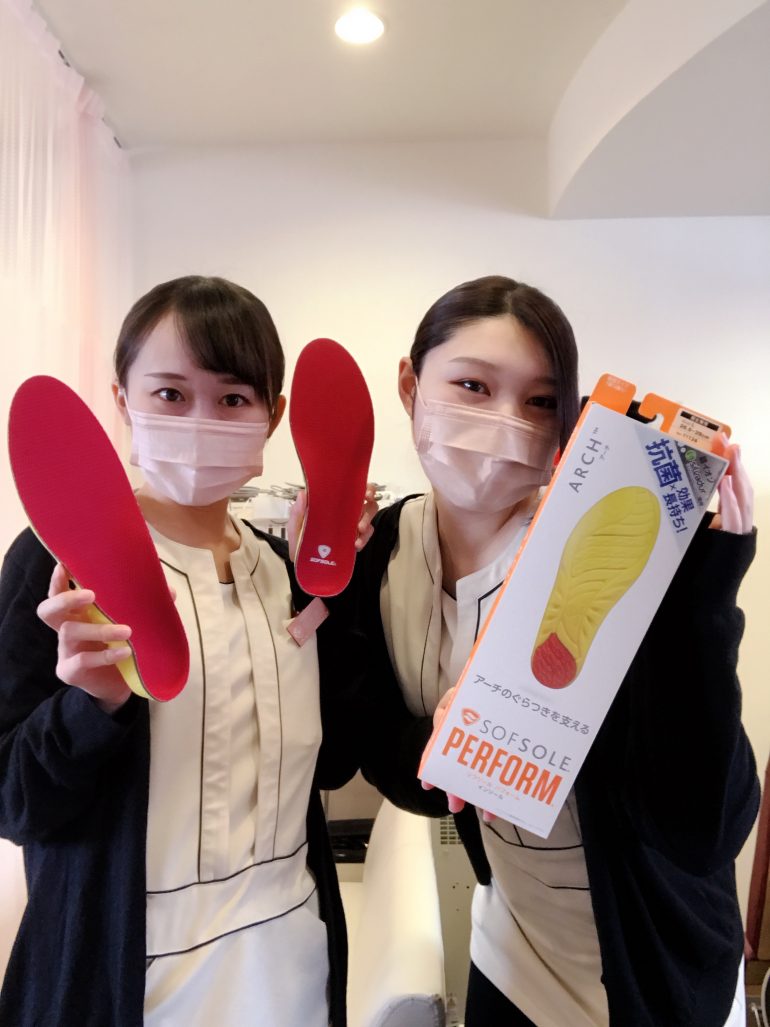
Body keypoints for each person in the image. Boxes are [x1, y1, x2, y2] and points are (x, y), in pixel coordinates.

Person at [347, 275, 759, 1027]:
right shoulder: (382, 556)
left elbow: (705, 831)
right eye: (472, 385)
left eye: (540, 402)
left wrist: (704, 604)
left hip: (653, 965)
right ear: (410, 386)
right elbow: (377, 749)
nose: (506, 421)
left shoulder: (620, 555)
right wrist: (448, 751)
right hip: (512, 941)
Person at [0, 276, 373, 1026]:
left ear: (274, 415)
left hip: (290, 959)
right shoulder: (57, 564)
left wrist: (344, 596)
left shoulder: (283, 570)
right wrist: (90, 706)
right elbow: (14, 801)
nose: (201, 419)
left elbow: (331, 764)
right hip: (127, 975)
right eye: (170, 394)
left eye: (233, 398)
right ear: (123, 399)